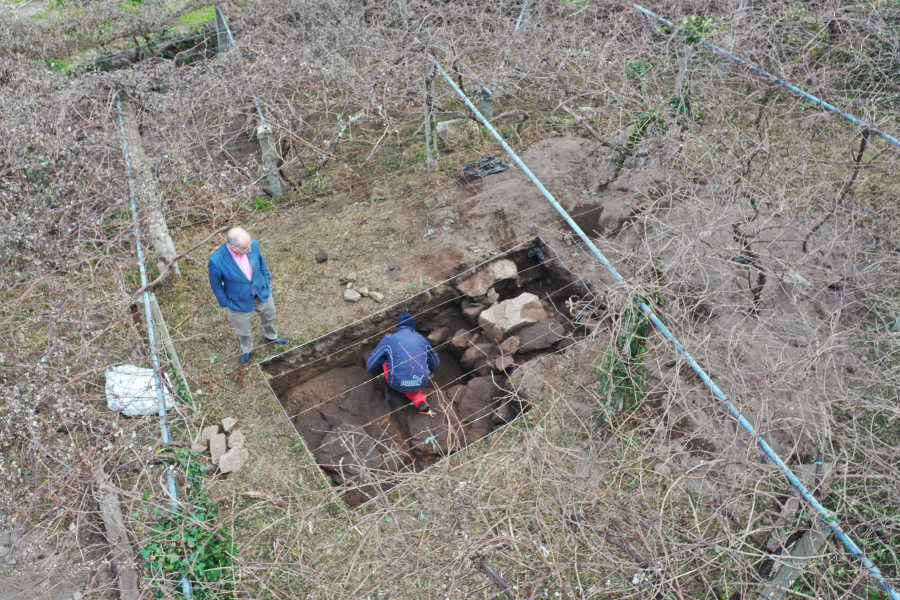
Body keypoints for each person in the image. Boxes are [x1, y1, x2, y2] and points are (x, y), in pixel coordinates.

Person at [208, 227, 288, 364]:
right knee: (243, 330)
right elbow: (216, 285)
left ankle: (271, 336)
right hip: (238, 302)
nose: (249, 249)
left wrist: (266, 281)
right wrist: (225, 302)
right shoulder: (216, 260)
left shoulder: (253, 244)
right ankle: (247, 349)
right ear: (233, 247)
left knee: (270, 316)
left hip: (261, 293)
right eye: (245, 248)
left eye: (250, 245)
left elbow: (262, 264)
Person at [366, 312, 440, 414]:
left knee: (385, 358)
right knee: (419, 359)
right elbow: (435, 361)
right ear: (412, 327)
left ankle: (414, 393)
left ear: (398, 326)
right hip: (422, 381)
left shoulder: (389, 339)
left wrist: (379, 373)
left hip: (396, 383)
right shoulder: (420, 338)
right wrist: (430, 372)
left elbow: (370, 365)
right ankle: (419, 400)